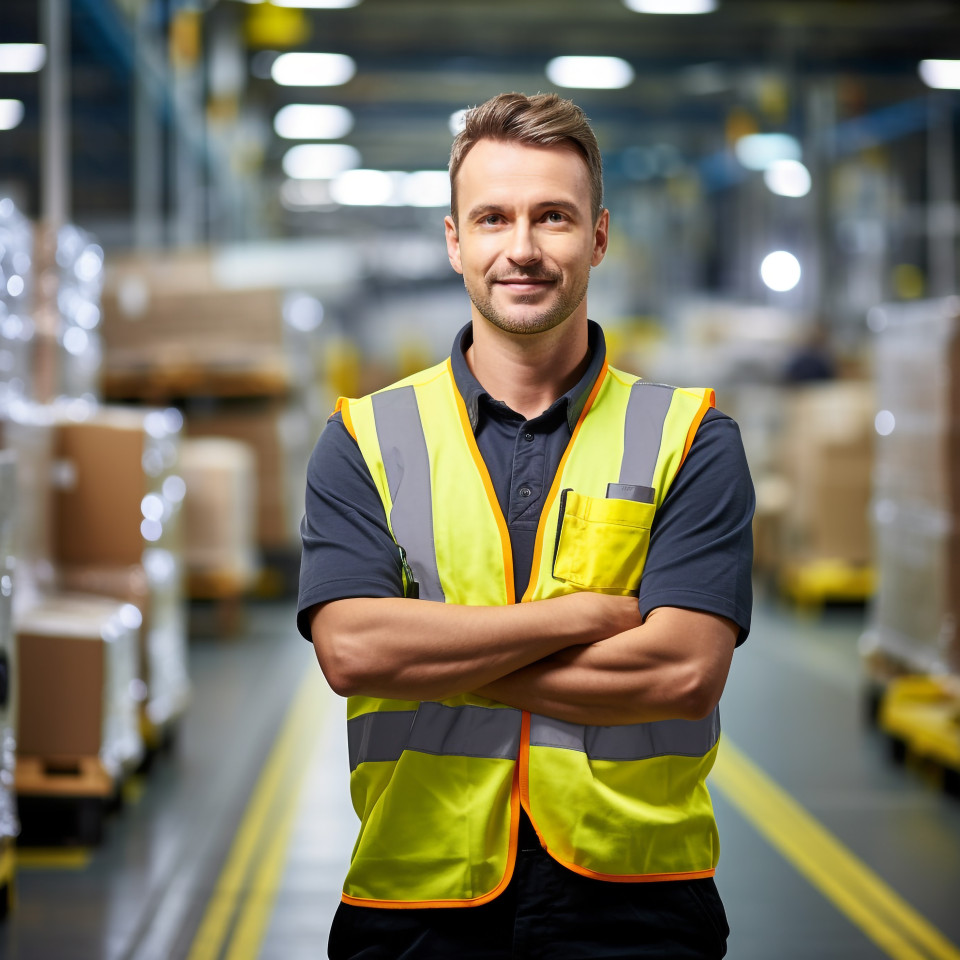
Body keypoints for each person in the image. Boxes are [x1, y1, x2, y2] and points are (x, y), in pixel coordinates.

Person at [298, 91, 755, 960]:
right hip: (416, 894)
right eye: (493, 218)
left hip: (637, 898)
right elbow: (354, 653)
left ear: (598, 236)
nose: (522, 249)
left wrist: (434, 659)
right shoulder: (364, 437)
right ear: (454, 240)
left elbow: (683, 672)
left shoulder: (691, 438)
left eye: (553, 217)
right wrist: (577, 618)